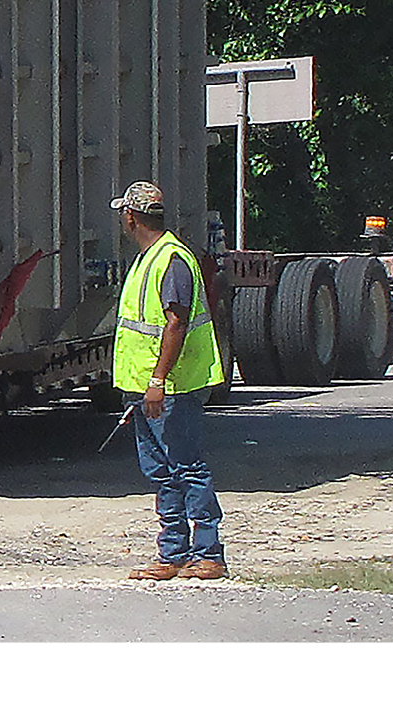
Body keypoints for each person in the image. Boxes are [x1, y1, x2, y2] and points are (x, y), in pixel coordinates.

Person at [109, 180, 227, 581]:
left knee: (187, 466)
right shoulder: (151, 258)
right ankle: (173, 553)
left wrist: (158, 380)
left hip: (173, 387)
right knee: (160, 471)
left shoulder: (170, 259)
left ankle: (208, 553)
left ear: (130, 217)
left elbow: (176, 323)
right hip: (145, 387)